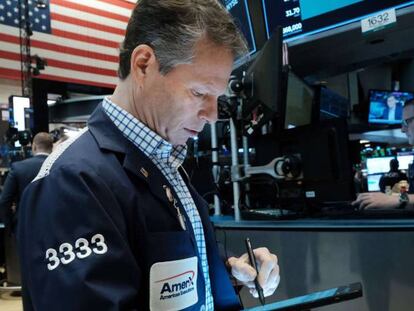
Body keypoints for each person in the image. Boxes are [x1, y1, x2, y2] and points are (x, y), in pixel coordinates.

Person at [17, 1, 280, 310]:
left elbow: (159, 279)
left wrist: (228, 274)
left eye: (217, 98)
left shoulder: (165, 161)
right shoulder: (72, 182)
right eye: (199, 93)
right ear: (143, 64)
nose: (211, 114)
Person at [353, 98, 414, 209]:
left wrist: (396, 199)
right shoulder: (403, 175)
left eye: (406, 122)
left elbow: (403, 196)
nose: (403, 129)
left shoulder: (385, 178)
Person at [0, 132, 52, 232]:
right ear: (51, 147)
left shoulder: (18, 168)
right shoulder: (60, 166)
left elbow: (4, 201)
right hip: (52, 226)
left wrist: (11, 226)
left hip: (24, 226)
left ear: (34, 146)